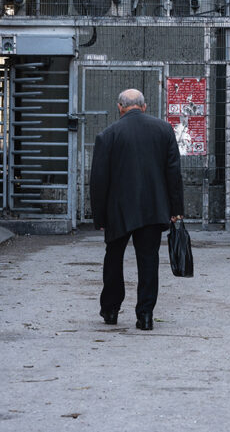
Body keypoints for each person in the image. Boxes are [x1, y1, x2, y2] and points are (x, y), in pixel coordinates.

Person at [90, 89, 184, 330]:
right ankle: (145, 315)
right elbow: (173, 173)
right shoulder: (164, 130)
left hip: (118, 210)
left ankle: (110, 310)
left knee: (113, 258)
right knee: (149, 260)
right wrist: (176, 209)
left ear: (120, 107)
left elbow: (99, 179)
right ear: (144, 106)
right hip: (153, 208)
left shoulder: (108, 135)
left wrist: (99, 215)